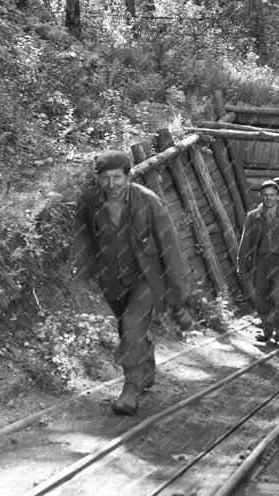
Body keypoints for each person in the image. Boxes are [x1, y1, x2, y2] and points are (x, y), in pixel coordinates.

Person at [74, 150, 192, 415]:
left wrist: (180, 295)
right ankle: (146, 373)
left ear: (128, 176)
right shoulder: (90, 201)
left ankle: (131, 390)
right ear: (99, 179)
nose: (111, 184)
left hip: (147, 277)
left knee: (131, 325)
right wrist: (86, 268)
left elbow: (170, 247)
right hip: (112, 278)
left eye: (117, 177)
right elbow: (83, 236)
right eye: (105, 178)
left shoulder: (148, 202)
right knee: (128, 330)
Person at [237, 180, 279, 342]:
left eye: (272, 195)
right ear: (261, 196)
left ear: (278, 196)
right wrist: (242, 267)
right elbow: (245, 242)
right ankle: (267, 332)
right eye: (265, 195)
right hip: (260, 263)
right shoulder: (253, 217)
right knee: (262, 300)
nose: (269, 199)